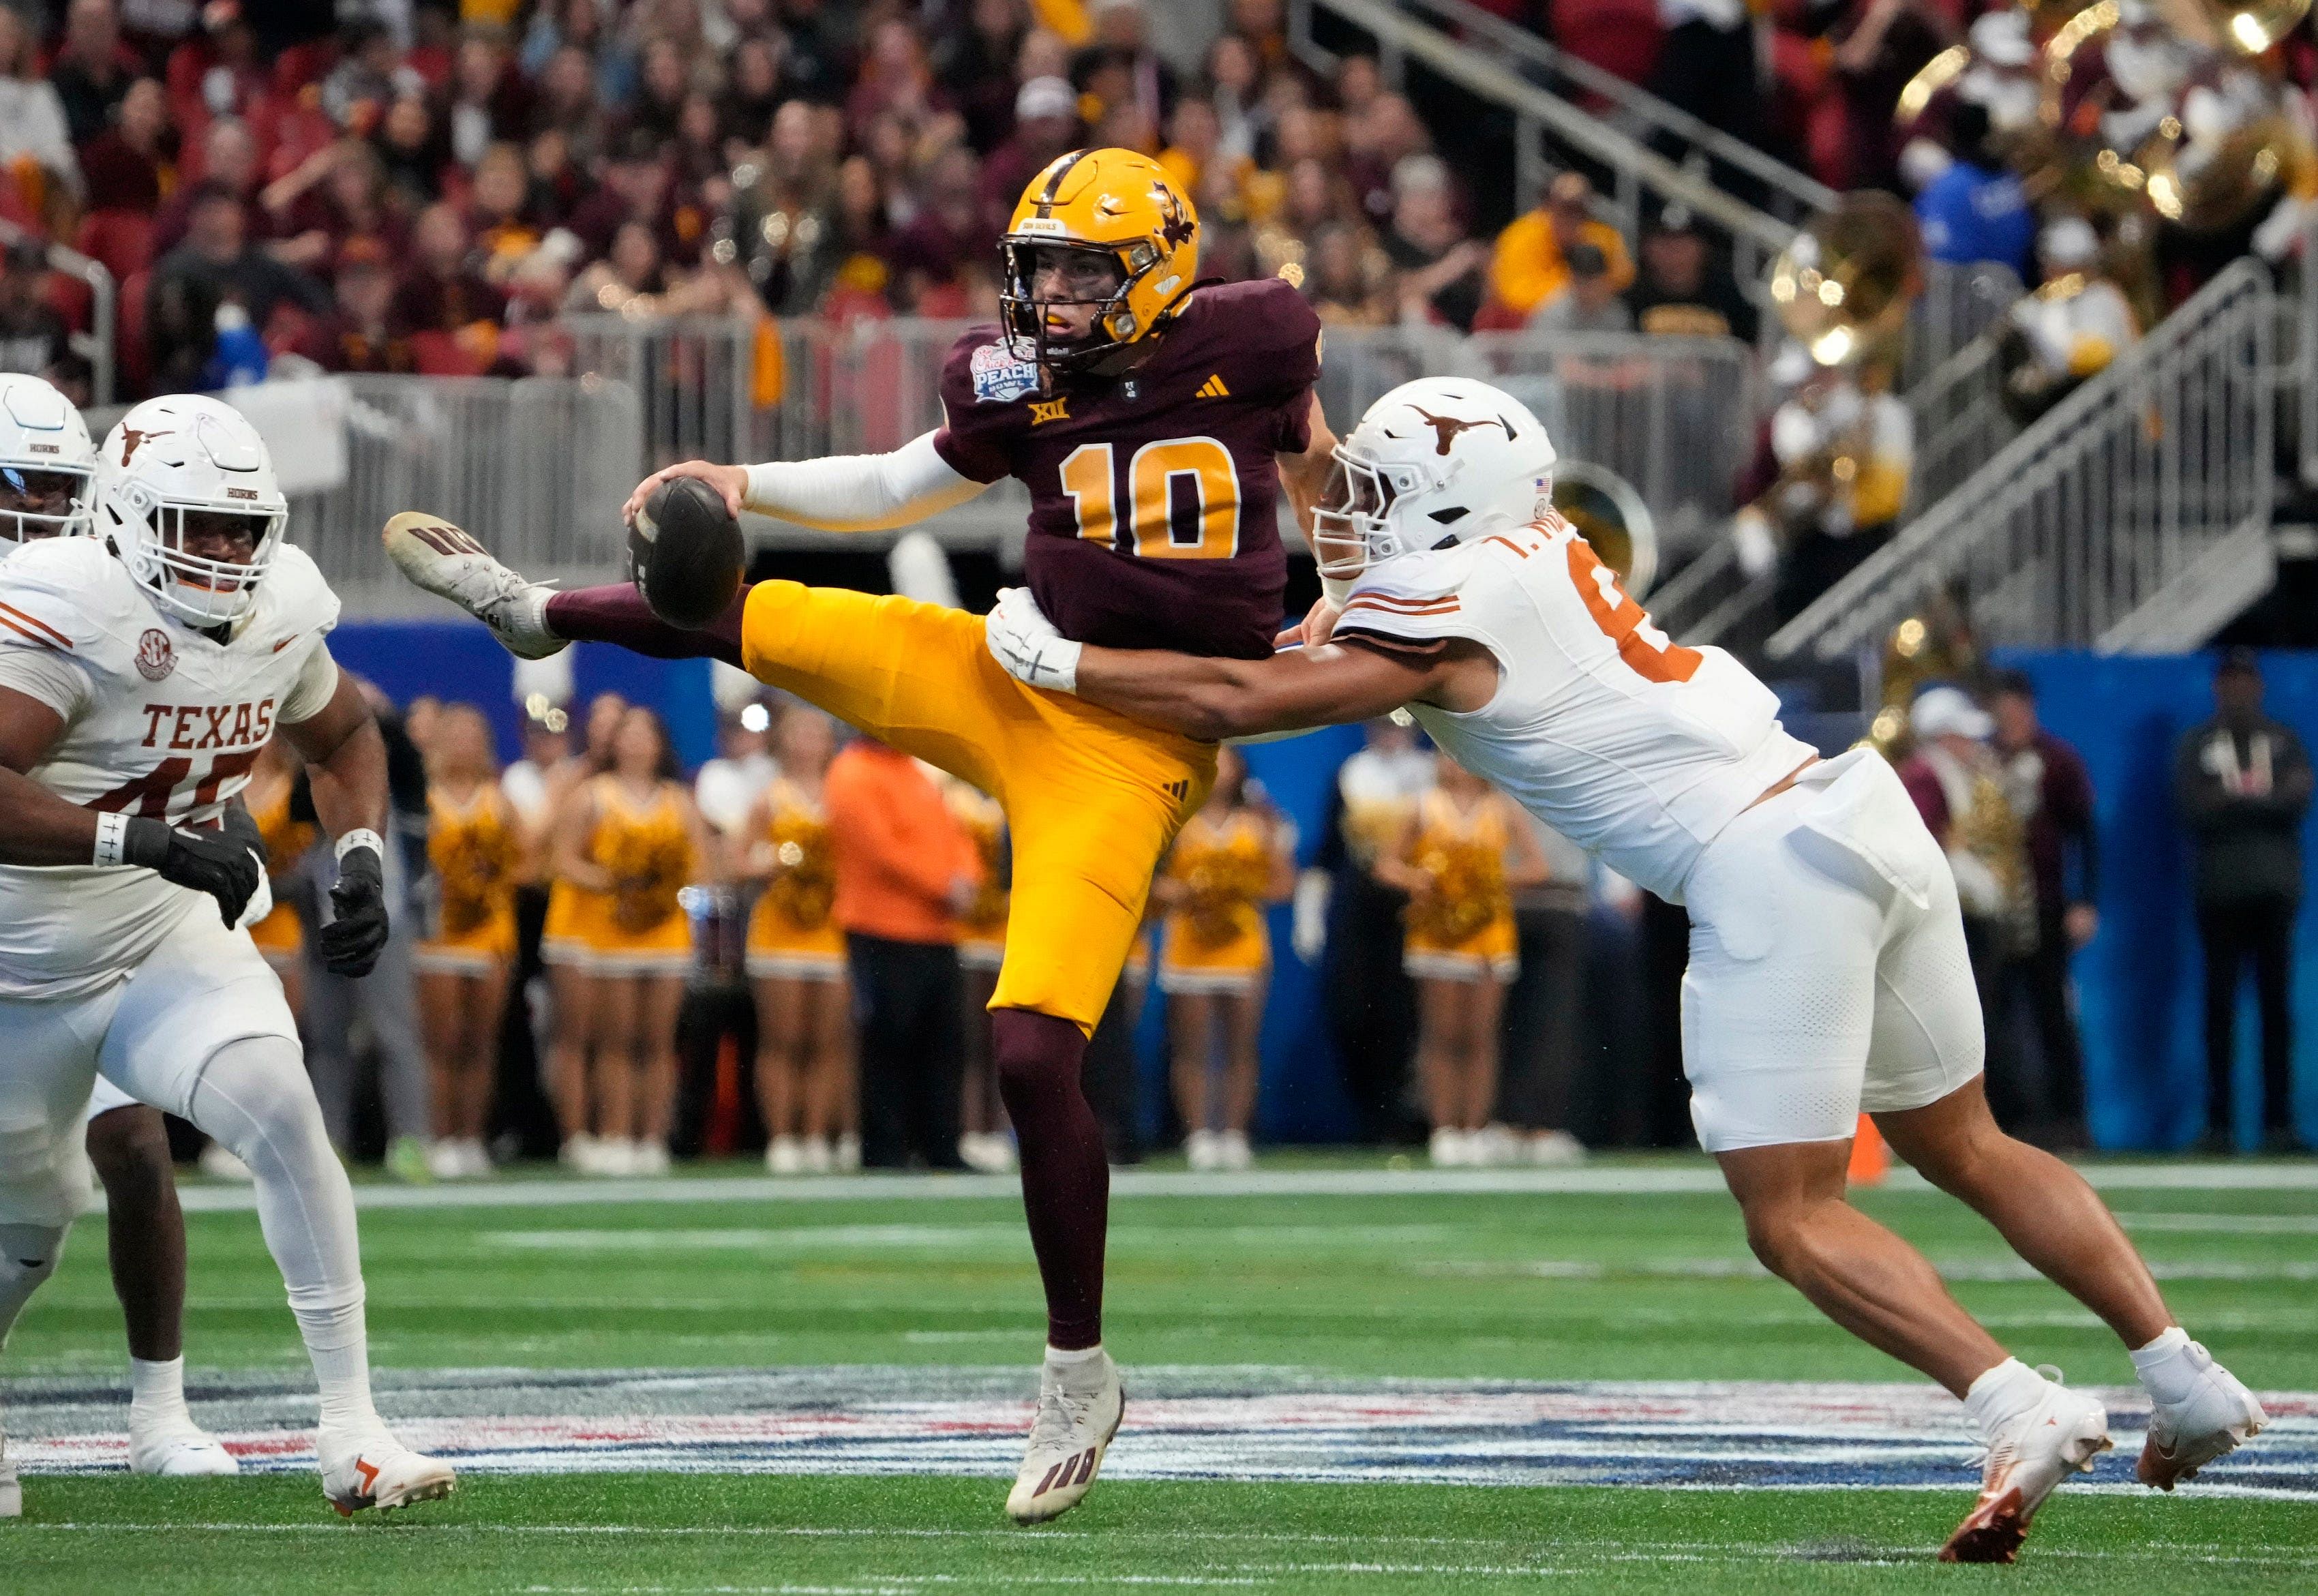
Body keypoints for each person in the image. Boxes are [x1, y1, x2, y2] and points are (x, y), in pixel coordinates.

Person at [982, 373, 2267, 1563]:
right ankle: (2185, 1374)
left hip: (1765, 864)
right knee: (1969, 1142)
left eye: (1380, 498)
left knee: (1795, 1215)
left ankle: (2014, 1403)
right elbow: (1351, 532)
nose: (1354, 516)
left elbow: (1232, 698)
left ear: (1445, 507)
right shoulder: (1533, 546)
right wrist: (1308, 442)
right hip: (1853, 810)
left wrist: (1061, 659)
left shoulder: (1448, 602)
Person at [386, 145, 1336, 1522]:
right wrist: (743, 480)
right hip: (1015, 668)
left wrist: (1346, 582)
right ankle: (541, 614)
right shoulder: (1014, 379)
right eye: (1041, 267)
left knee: (1026, 1045)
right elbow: (898, 487)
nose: (1054, 294)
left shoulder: (1254, 336)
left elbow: (1319, 467)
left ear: (1159, 268)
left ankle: (1078, 1369)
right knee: (772, 621)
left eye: (1082, 268)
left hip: (1133, 738)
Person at [0, 393, 451, 1519]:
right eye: (197, 526)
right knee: (30, 1222)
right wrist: (145, 837)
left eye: (241, 529)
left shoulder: (281, 605)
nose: (224, 552)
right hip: (19, 961)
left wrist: (358, 855)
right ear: (130, 516)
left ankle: (351, 1429)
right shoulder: (67, 606)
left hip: (160, 932)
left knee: (282, 1112)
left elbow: (343, 734)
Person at [0, 372, 234, 1477]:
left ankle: (160, 1413)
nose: (40, 514)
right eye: (20, 488)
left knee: (135, 1142)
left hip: (78, 920)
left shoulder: (110, 603)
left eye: (60, 490)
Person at [552, 706, 704, 1176]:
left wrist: (663, 886)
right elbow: (563, 860)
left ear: (661, 744)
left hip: (665, 932)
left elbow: (702, 866)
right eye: (628, 734)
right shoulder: (593, 795)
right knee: (616, 1040)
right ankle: (615, 1133)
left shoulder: (679, 800)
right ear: (613, 743)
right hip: (609, 930)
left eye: (646, 733)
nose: (637, 743)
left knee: (658, 1042)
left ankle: (652, 1137)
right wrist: (615, 879)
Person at [1376, 757, 1546, 1166]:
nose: (1454, 763)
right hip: (1437, 934)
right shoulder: (1423, 806)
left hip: (1488, 935)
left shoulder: (1502, 808)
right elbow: (1386, 865)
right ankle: (1444, 1129)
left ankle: (1475, 1127)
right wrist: (1423, 881)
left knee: (1481, 1035)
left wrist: (1486, 882)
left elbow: (1538, 867)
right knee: (1441, 1033)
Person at [2176, 651, 2311, 1154]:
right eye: (2229, 681)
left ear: (2258, 685)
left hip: (2274, 892)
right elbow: (2192, 806)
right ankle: (2219, 1124)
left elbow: (2298, 798)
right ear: (2217, 687)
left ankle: (2280, 1123)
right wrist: (2258, 798)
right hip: (2220, 892)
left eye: (2245, 680)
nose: (2237, 691)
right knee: (2220, 1012)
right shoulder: (2199, 744)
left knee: (2276, 1012)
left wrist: (2234, 798)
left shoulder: (2282, 740)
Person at [824, 734, 979, 1173]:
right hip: (880, 929)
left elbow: (957, 834)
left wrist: (968, 878)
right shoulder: (852, 772)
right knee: (889, 1044)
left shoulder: (915, 770)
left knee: (945, 1044)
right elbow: (880, 852)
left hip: (936, 932)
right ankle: (886, 1149)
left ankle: (942, 1146)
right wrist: (946, 886)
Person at [1154, 744, 1292, 1171]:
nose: (1219, 770)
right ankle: (1197, 1134)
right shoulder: (1176, 820)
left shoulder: (1260, 823)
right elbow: (1152, 882)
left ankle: (1233, 1133)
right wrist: (1192, 893)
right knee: (1191, 1046)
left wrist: (1237, 891)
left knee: (1241, 1046)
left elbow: (1285, 884)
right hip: (1189, 947)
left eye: (1227, 762)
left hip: (1244, 946)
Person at [1987, 671, 2100, 1148]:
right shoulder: (1982, 762)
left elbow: (2086, 834)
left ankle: (2070, 1120)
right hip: (1995, 912)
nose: (2009, 718)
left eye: (2016, 708)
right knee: (1995, 1019)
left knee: (2053, 1014)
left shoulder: (2057, 761)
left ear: (2030, 709)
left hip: (2047, 908)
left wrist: (2085, 899)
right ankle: (2008, 1120)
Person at [1307, 718, 1431, 1143]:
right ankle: (1369, 1113)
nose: (1390, 733)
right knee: (1354, 1006)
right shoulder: (1353, 772)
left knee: (1411, 1011)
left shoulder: (1429, 775)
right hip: (1358, 904)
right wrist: (1311, 917)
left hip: (1417, 901)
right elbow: (1329, 849)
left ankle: (1409, 1115)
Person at [742, 704, 854, 1175]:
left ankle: (816, 1135)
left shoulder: (845, 794)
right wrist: (772, 861)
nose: (808, 743)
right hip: (778, 930)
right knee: (782, 1040)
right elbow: (736, 860)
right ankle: (782, 1137)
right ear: (783, 741)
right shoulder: (770, 797)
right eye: (799, 733)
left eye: (818, 733)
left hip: (831, 930)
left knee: (828, 1042)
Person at [414, 703, 521, 1181]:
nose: (462, 744)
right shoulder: (422, 798)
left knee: (479, 1041)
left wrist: (489, 880)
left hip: (488, 932)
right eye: (453, 734)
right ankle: (440, 1137)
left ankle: (471, 1138)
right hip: (435, 935)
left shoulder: (499, 800)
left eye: (471, 734)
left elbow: (530, 860)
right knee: (440, 1042)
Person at [539, 690, 622, 1169]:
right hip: (575, 923)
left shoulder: (655, 783)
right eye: (601, 722)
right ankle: (575, 1135)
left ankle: (615, 1132)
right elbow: (547, 846)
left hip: (624, 929)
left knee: (616, 1038)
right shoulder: (573, 781)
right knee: (574, 1036)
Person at [946, 772, 1016, 1173]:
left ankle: (1003, 1130)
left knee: (1005, 1040)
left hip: (1012, 926)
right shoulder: (949, 791)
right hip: (964, 928)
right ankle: (970, 1129)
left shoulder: (1017, 785)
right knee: (970, 1037)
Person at [1485, 172, 1634, 324]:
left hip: (1590, 318)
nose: (1573, 216)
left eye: (1579, 209)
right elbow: (1515, 295)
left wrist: (1585, 290)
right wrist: (1574, 288)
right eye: (1566, 208)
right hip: (1531, 324)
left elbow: (1624, 277)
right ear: (1548, 205)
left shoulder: (1600, 235)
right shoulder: (1521, 235)